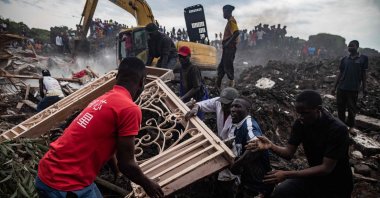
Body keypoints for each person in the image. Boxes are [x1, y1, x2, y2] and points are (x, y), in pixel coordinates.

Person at [36, 57, 164, 198]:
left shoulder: (104, 98)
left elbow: (102, 137)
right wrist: (148, 184)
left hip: (48, 169)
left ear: (116, 77)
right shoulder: (130, 109)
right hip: (65, 182)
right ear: (141, 83)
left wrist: (115, 168)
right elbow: (126, 164)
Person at [246, 90, 353, 198]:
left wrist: (287, 174)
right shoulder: (301, 123)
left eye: (305, 113)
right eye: (298, 113)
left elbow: (326, 168)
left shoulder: (337, 129)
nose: (301, 117)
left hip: (337, 184)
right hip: (314, 178)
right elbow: (288, 153)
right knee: (281, 192)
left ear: (318, 109)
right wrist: (271, 146)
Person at [185, 87, 239, 198]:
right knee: (216, 173)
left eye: (227, 104)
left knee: (227, 179)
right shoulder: (220, 102)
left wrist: (214, 143)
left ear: (234, 103)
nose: (223, 106)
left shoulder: (238, 117)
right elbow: (205, 104)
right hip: (220, 144)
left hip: (232, 150)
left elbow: (231, 141)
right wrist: (196, 107)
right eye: (222, 103)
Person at [229, 97, 274, 198]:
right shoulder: (237, 125)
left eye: (237, 106)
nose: (232, 109)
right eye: (232, 106)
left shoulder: (249, 126)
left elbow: (255, 148)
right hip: (248, 181)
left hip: (258, 185)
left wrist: (236, 165)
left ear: (248, 110)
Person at [331, 40, 368, 132]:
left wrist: (364, 87)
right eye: (349, 46)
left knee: (352, 109)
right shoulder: (344, 59)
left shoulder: (363, 58)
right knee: (341, 108)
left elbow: (364, 74)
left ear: (357, 47)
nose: (350, 48)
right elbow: (340, 73)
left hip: (353, 88)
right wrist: (334, 87)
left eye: (352, 46)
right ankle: (341, 126)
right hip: (341, 88)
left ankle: (351, 126)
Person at [216, 4, 240, 89]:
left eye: (224, 12)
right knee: (222, 67)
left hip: (230, 48)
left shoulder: (231, 21)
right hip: (227, 48)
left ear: (228, 12)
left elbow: (237, 32)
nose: (223, 14)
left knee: (228, 66)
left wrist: (227, 43)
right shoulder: (229, 21)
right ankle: (217, 87)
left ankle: (231, 87)